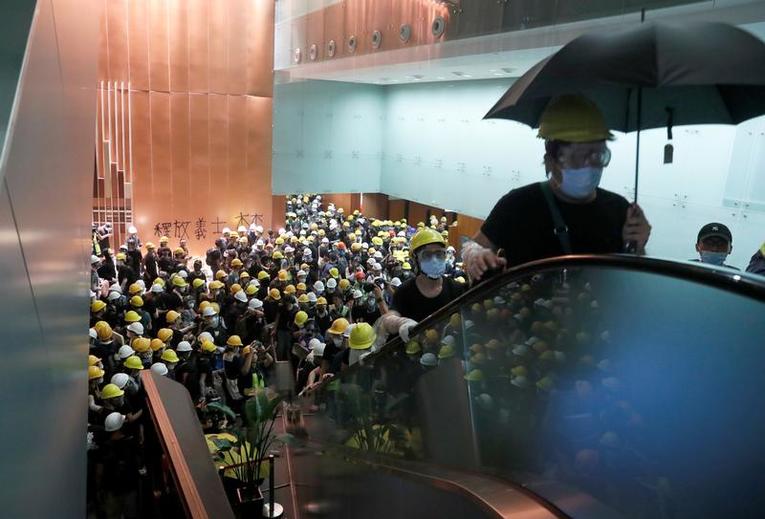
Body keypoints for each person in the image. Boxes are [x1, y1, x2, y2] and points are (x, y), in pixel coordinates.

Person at [462, 95, 652, 281]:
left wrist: (638, 245)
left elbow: (631, 278)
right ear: (551, 160)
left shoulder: (619, 208)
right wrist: (475, 254)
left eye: (598, 155)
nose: (590, 165)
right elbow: (474, 246)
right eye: (579, 156)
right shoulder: (518, 205)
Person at [382, 228, 466, 341]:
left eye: (439, 254)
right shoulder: (405, 291)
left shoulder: (455, 288)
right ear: (415, 259)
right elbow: (388, 319)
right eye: (427, 255)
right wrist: (401, 322)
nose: (435, 260)